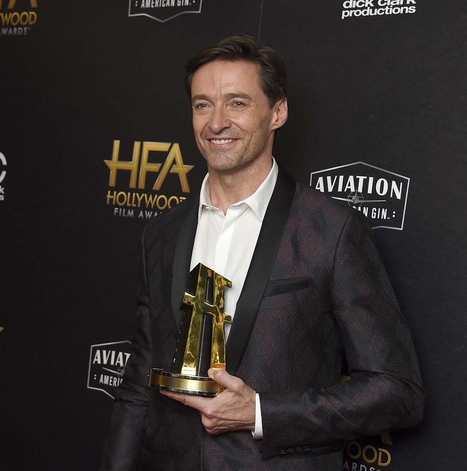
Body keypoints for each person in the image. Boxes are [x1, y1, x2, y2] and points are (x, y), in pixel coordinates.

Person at [101, 35, 424, 471]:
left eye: (237, 103)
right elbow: (138, 389)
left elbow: (397, 391)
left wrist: (259, 412)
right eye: (202, 105)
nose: (216, 122)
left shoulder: (330, 231)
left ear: (278, 112)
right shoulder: (161, 232)